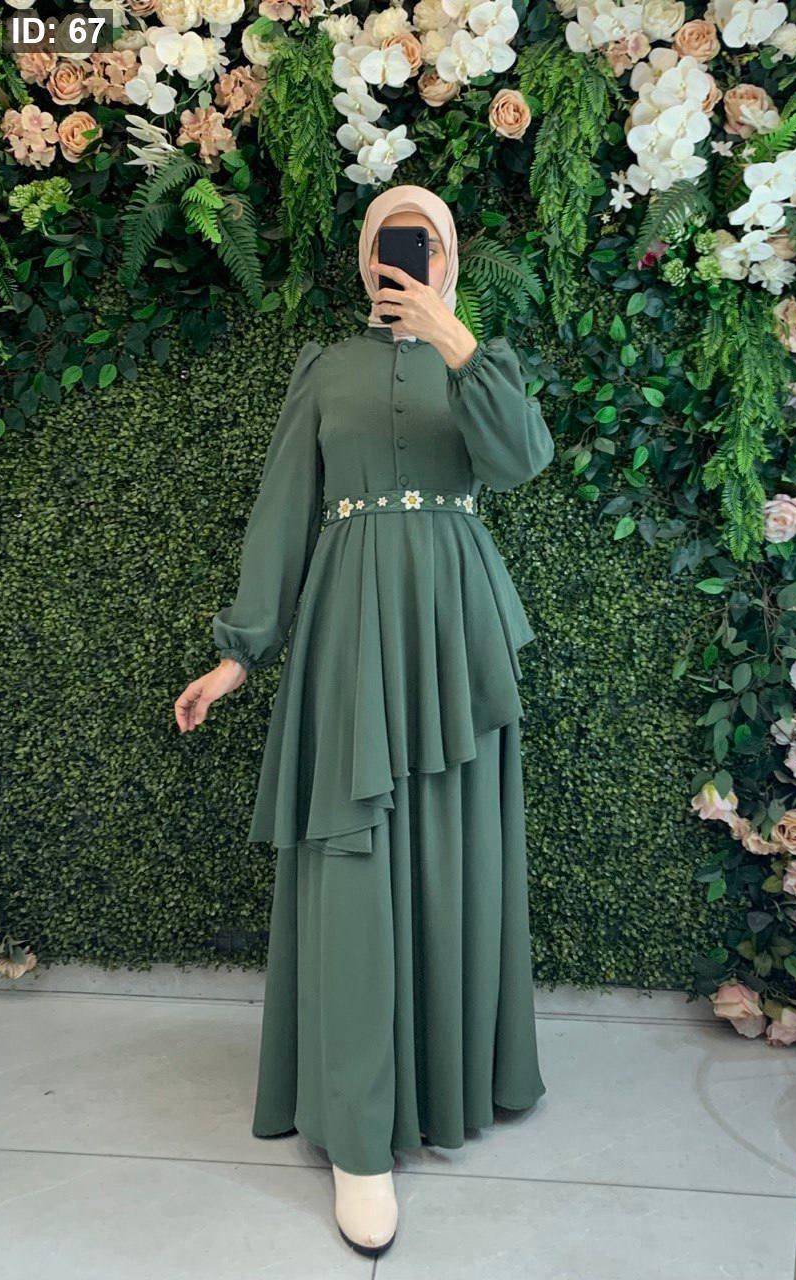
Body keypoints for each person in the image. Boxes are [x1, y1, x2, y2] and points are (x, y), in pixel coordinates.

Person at [174, 184, 555, 1258]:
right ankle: (357, 1130)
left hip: (455, 635)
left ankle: (452, 1077)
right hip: (349, 634)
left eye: (427, 240)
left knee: (454, 857)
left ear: (449, 259)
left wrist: (456, 340)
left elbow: (521, 461)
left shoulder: (482, 361)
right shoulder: (325, 369)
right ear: (363, 259)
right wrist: (238, 652)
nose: (409, 254)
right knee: (352, 862)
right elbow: (283, 512)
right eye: (393, 240)